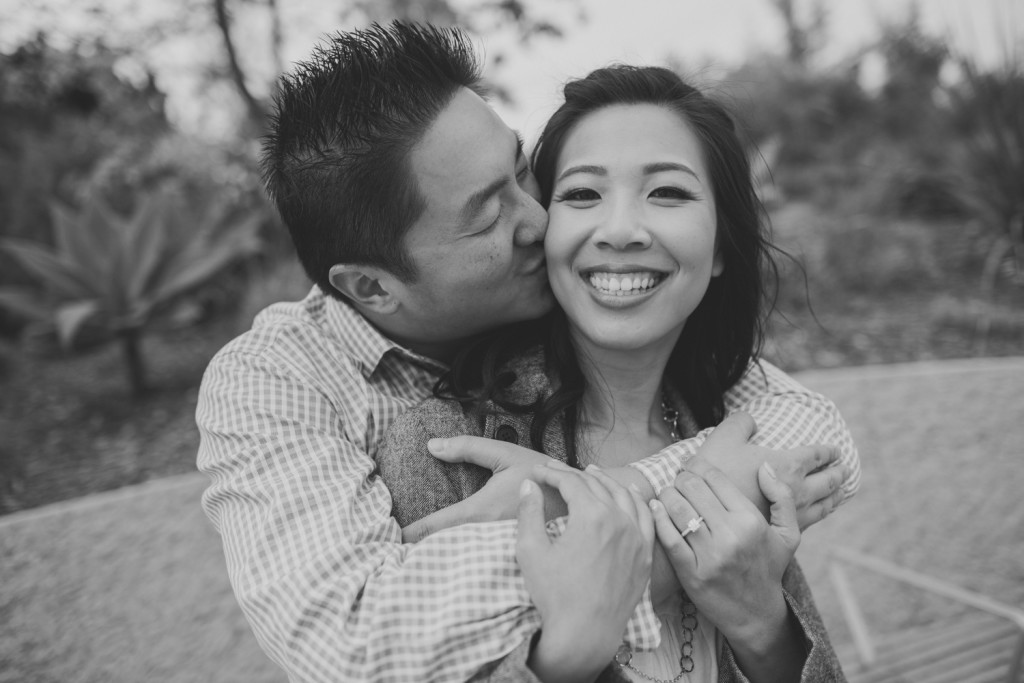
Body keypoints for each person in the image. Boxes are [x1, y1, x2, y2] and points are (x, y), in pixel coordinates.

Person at [195, 22, 859, 682]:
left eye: (523, 171)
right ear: (372, 286)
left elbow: (818, 433)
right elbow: (351, 641)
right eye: (492, 214)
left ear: (720, 245)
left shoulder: (696, 389)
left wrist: (761, 627)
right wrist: (584, 605)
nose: (543, 223)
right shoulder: (372, 417)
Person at [375, 65, 853, 682]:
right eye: (581, 194)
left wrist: (763, 626)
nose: (622, 230)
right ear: (544, 231)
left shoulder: (735, 431)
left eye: (668, 193)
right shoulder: (447, 448)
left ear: (721, 251)